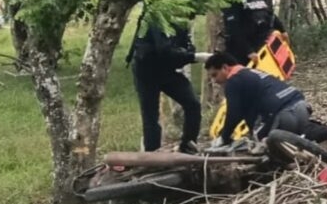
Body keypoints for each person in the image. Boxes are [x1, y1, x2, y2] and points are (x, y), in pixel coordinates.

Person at [127, 11, 202, 155]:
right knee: (151, 116)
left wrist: (188, 53)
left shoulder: (182, 23)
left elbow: (187, 47)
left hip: (168, 71)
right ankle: (152, 153)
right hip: (146, 72)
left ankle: (188, 145)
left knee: (193, 103)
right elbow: (165, 50)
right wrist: (191, 56)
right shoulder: (156, 19)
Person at [206, 52, 311, 145]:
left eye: (215, 75)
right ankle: (314, 132)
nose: (215, 80)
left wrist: (224, 137)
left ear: (225, 67)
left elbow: (234, 113)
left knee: (261, 145)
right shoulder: (253, 72)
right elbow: (241, 112)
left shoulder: (233, 81)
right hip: (302, 108)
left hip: (283, 116)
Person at [221, 0, 283, 65]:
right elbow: (233, 29)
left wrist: (282, 30)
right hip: (240, 51)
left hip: (260, 46)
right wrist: (248, 51)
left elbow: (269, 14)